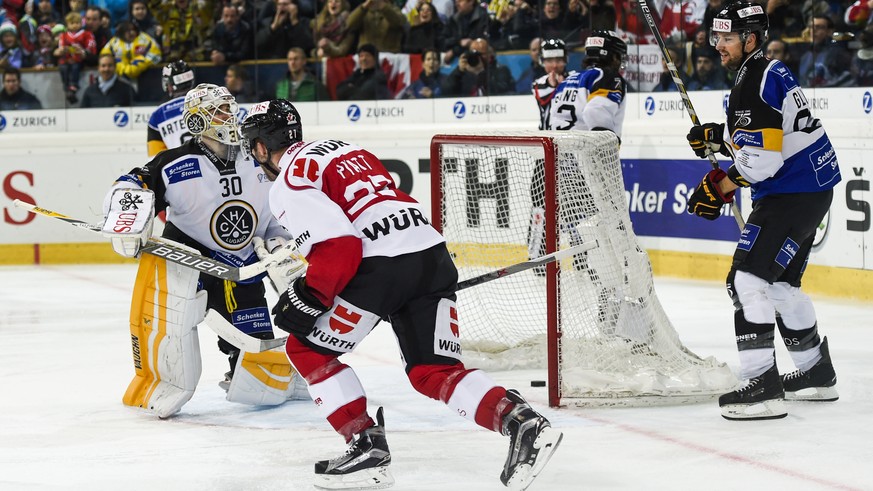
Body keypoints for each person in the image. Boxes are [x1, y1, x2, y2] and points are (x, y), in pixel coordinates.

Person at [238, 98, 562, 491]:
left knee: (305, 349)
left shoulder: (288, 181)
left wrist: (309, 296)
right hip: (431, 255)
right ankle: (520, 422)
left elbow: (340, 247)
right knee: (433, 372)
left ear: (259, 147)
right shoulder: (346, 149)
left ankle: (365, 447)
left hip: (380, 269)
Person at [103, 84, 302, 418]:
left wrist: (279, 240)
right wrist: (129, 208)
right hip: (188, 261)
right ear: (198, 122)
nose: (231, 116)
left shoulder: (257, 153)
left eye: (230, 107)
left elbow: (282, 203)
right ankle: (160, 381)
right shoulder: (175, 162)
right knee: (172, 330)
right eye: (220, 111)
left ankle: (267, 370)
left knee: (257, 353)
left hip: (241, 263)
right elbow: (133, 181)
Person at [685, 1, 840, 421]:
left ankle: (762, 384)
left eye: (727, 38)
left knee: (748, 280)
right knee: (780, 287)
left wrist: (719, 185)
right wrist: (721, 139)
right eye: (716, 36)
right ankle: (815, 372)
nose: (718, 45)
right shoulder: (766, 70)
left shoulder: (751, 81)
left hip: (791, 192)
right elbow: (769, 136)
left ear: (750, 39)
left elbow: (762, 163)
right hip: (811, 188)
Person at [547, 30, 628, 136]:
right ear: (612, 56)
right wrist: (604, 146)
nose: (620, 61)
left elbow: (553, 119)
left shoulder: (566, 81)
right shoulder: (607, 76)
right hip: (585, 149)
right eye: (619, 56)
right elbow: (595, 111)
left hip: (558, 148)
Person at [147, 60, 195, 157]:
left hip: (179, 169)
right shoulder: (208, 102)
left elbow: (155, 157)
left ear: (171, 85)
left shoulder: (158, 116)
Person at [100, 21, 162, 88]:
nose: (131, 33)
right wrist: (120, 66)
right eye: (128, 31)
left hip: (146, 78)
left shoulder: (145, 39)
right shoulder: (114, 42)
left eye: (133, 30)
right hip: (119, 80)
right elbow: (104, 56)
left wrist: (141, 64)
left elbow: (157, 56)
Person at [55, 12, 96, 104]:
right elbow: (61, 46)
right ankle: (67, 88)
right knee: (63, 67)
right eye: (72, 23)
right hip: (66, 59)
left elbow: (90, 46)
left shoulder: (87, 34)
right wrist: (63, 50)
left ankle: (74, 86)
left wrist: (83, 51)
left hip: (79, 59)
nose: (74, 25)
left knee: (75, 67)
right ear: (67, 24)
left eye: (77, 23)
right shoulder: (64, 35)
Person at [531, 38, 568, 130]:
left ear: (565, 60)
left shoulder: (576, 79)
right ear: (542, 61)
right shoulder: (538, 83)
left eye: (559, 60)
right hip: (547, 135)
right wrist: (553, 86)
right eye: (550, 61)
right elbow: (542, 96)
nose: (554, 65)